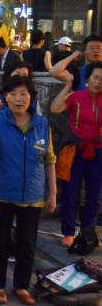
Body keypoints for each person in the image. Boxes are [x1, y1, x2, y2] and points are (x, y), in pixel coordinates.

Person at [0, 76, 56, 305]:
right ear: (5, 97)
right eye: (13, 94)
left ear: (31, 96)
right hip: (2, 192)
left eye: (24, 93)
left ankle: (20, 286)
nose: (19, 99)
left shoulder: (42, 123)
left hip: (34, 194)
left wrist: (53, 193)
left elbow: (49, 159)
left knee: (26, 245)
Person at [50, 63, 102, 247]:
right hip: (75, 149)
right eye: (95, 77)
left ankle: (89, 232)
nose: (98, 82)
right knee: (71, 191)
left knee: (94, 194)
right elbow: (55, 109)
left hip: (97, 151)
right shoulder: (76, 96)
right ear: (88, 79)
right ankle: (68, 232)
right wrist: (67, 86)